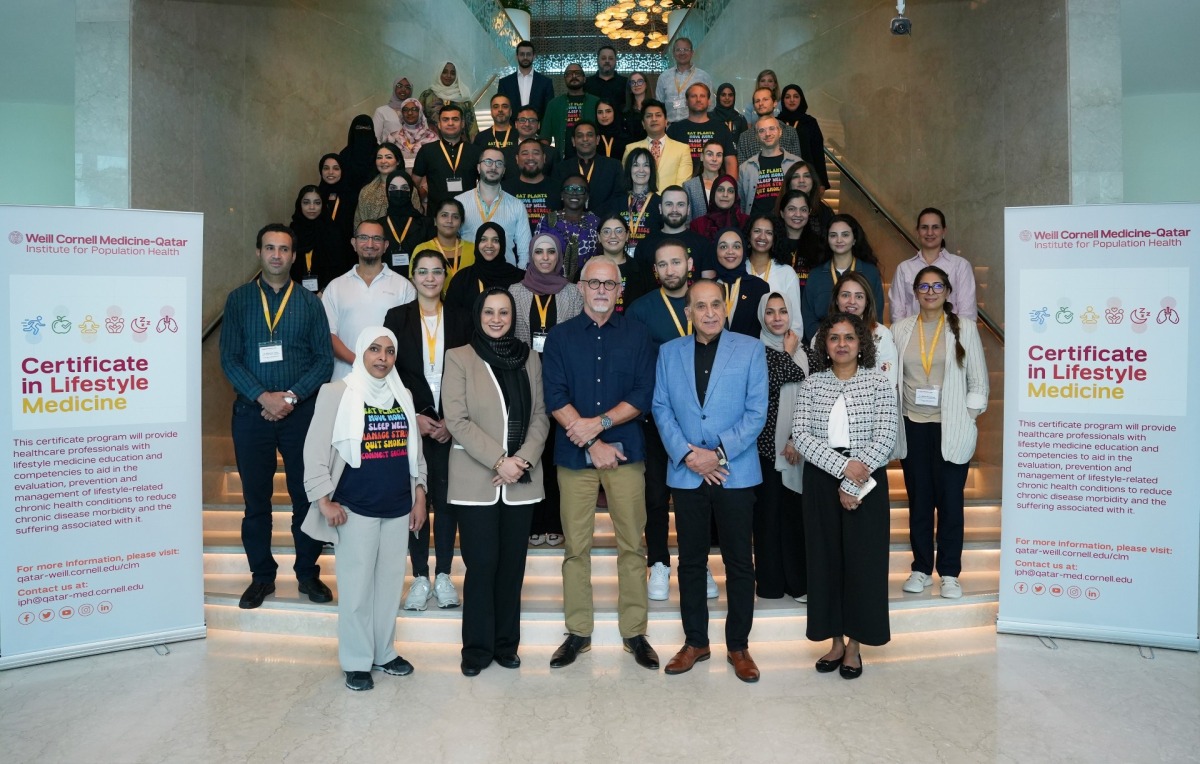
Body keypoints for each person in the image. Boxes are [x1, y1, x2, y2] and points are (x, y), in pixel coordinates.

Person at [541, 257, 660, 670]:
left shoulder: (639, 335)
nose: (602, 290)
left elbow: (644, 393)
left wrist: (602, 425)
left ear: (619, 288)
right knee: (576, 548)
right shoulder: (559, 337)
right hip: (574, 458)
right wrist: (593, 441)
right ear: (580, 287)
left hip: (626, 453)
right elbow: (554, 395)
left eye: (609, 284)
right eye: (594, 283)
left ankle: (635, 632)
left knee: (633, 545)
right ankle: (578, 632)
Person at [652, 279, 767, 683]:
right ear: (689, 313)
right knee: (691, 562)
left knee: (738, 562)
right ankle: (695, 641)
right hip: (686, 474)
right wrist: (688, 456)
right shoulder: (669, 353)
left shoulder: (751, 350)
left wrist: (715, 454)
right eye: (700, 306)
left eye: (716, 304)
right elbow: (660, 407)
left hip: (734, 473)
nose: (710, 312)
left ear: (726, 307)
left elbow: (757, 413)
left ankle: (739, 646)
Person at [300, 326, 426, 691]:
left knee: (388, 588)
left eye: (389, 351)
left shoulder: (402, 393)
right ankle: (356, 660)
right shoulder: (336, 393)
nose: (382, 358)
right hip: (354, 508)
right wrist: (324, 499)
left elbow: (414, 452)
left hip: (398, 505)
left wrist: (420, 494)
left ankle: (383, 652)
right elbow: (314, 449)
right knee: (356, 590)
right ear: (361, 352)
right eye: (374, 349)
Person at [219, 223, 334, 611]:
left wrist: (290, 396)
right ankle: (262, 577)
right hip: (251, 415)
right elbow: (229, 359)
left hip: (300, 415)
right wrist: (262, 397)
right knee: (256, 502)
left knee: (306, 498)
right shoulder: (237, 301)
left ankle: (307, 573)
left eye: (284, 249)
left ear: (293, 255)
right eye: (269, 248)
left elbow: (323, 360)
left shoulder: (309, 302)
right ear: (258, 252)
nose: (276, 255)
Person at [441, 289, 550, 676]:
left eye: (504, 312)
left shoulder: (530, 358)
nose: (497, 318)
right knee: (482, 564)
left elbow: (540, 415)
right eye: (489, 311)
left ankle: (506, 645)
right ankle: (476, 650)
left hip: (521, 481)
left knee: (512, 567)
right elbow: (456, 419)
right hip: (477, 480)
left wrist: (521, 461)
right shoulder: (459, 357)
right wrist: (500, 460)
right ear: (478, 314)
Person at [793, 312, 898, 680]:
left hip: (867, 482)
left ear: (861, 343)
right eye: (834, 337)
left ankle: (854, 646)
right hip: (822, 482)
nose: (841, 344)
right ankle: (834, 641)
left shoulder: (878, 382)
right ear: (825, 344)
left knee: (861, 566)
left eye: (849, 337)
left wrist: (853, 481)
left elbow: (886, 436)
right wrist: (842, 470)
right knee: (825, 563)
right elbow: (801, 435)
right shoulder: (813, 384)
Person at [383, 251, 472, 612]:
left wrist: (454, 420)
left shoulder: (462, 317)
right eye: (423, 272)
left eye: (437, 272)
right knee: (414, 498)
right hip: (412, 422)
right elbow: (388, 371)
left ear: (446, 276)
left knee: (447, 499)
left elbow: (472, 371)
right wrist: (412, 417)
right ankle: (420, 575)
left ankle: (446, 574)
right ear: (413, 275)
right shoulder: (396, 317)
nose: (431, 278)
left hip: (451, 425)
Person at [892, 266, 988, 600]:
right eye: (923, 286)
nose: (930, 292)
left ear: (947, 291)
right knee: (919, 503)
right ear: (914, 292)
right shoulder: (900, 329)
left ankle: (949, 572)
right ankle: (920, 568)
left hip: (952, 428)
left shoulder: (965, 328)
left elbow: (978, 381)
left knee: (950, 503)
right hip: (913, 426)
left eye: (937, 286)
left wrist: (968, 417)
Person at [626, 240, 695, 602]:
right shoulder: (640, 310)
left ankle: (692, 566)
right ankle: (659, 563)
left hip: (700, 421)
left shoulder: (705, 304)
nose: (670, 270)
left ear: (689, 263)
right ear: (656, 271)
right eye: (663, 265)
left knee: (693, 498)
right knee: (655, 495)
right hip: (655, 419)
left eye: (676, 262)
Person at [510, 232, 584, 546]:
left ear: (559, 257)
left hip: (561, 384)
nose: (544, 257)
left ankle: (555, 522)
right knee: (529, 453)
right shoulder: (515, 292)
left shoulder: (571, 293)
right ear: (531, 255)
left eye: (550, 252)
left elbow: (578, 340)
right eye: (538, 251)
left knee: (556, 454)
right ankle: (531, 523)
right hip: (525, 384)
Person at [754, 293, 807, 600]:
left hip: (799, 448)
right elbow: (777, 380)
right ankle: (771, 584)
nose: (777, 318)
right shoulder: (753, 351)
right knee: (767, 519)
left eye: (783, 311)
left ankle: (798, 583)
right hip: (764, 450)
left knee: (795, 519)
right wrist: (787, 353)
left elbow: (813, 395)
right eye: (770, 312)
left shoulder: (808, 350)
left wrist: (796, 438)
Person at [322, 220, 416, 380]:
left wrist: (378, 363)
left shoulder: (404, 287)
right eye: (364, 237)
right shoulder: (335, 286)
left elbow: (409, 337)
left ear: (386, 245)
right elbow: (328, 335)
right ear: (354, 243)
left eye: (376, 238)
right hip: (345, 378)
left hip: (388, 378)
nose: (370, 243)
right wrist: (359, 362)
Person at [802, 214, 884, 342]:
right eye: (833, 235)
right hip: (822, 344)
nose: (839, 240)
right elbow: (808, 317)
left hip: (862, 344)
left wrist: (858, 342)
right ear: (827, 239)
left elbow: (876, 314)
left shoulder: (870, 272)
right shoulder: (816, 275)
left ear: (854, 239)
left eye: (845, 235)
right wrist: (827, 341)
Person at [888, 208, 978, 324]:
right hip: (913, 338)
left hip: (951, 338)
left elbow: (968, 314)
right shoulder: (904, 268)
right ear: (918, 232)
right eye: (924, 227)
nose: (930, 233)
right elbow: (897, 314)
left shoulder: (961, 266)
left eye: (935, 227)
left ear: (944, 231)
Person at [456, 147, 532, 268]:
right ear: (478, 167)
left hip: (505, 278)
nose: (493, 167)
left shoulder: (517, 205)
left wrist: (519, 279)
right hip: (469, 277)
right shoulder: (459, 202)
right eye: (488, 162)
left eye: (499, 163)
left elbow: (525, 252)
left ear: (503, 171)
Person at [824, 271, 898, 389]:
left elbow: (889, 385)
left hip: (871, 405)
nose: (852, 301)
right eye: (845, 295)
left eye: (859, 296)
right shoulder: (823, 333)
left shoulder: (881, 334)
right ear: (836, 300)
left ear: (867, 301)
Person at [632, 185, 718, 279]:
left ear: (688, 209)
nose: (674, 210)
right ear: (660, 208)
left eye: (680, 204)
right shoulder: (645, 245)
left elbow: (708, 287)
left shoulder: (703, 245)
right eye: (669, 204)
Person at [411, 104, 482, 213]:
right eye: (445, 119)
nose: (450, 123)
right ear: (439, 124)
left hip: (469, 214)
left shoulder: (476, 151)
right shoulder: (427, 151)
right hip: (436, 217)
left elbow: (485, 184)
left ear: (462, 124)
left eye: (455, 119)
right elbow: (413, 184)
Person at [444, 222, 525, 313]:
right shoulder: (462, 278)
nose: (489, 245)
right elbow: (451, 316)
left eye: (495, 240)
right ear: (477, 243)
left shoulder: (519, 277)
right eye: (483, 240)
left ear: (502, 244)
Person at [550, 121, 624, 218]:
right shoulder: (561, 168)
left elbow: (618, 198)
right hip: (570, 224)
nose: (585, 139)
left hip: (604, 223)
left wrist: (593, 217)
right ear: (573, 141)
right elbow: (557, 199)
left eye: (589, 135)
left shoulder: (614, 166)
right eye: (580, 136)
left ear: (597, 139)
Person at [745, 214, 803, 335]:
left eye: (769, 233)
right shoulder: (739, 270)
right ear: (748, 235)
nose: (762, 237)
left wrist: (787, 352)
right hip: (743, 345)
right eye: (757, 231)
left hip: (778, 347)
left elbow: (796, 323)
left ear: (775, 238)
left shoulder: (787, 273)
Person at [534, 175, 600, 282]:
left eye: (580, 189)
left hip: (587, 284)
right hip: (550, 283)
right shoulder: (547, 220)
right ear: (562, 195)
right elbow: (536, 253)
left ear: (587, 196)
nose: (574, 193)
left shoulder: (595, 222)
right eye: (569, 189)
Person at [666, 83, 738, 178]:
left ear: (709, 101)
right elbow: (667, 163)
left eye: (702, 96)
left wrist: (730, 186)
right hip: (682, 187)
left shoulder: (721, 128)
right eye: (693, 96)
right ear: (686, 102)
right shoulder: (675, 129)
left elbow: (730, 162)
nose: (698, 99)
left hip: (716, 188)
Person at [713, 227, 771, 337]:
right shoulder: (707, 287)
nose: (730, 251)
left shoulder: (759, 287)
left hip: (748, 352)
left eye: (736, 246)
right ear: (715, 251)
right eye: (723, 246)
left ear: (743, 250)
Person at [623, 100, 693, 191]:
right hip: (640, 203)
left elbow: (683, 184)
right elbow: (626, 181)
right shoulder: (630, 149)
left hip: (669, 203)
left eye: (658, 115)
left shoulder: (682, 149)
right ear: (643, 124)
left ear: (666, 122)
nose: (654, 119)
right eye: (649, 116)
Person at [739, 116, 800, 217]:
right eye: (762, 131)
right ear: (757, 137)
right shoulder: (745, 168)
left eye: (772, 129)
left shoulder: (796, 164)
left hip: (787, 226)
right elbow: (742, 204)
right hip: (756, 226)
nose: (767, 134)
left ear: (780, 132)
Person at [288, 184, 345, 293]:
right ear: (299, 205)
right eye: (306, 202)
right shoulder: (291, 233)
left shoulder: (332, 232)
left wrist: (324, 291)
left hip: (327, 293)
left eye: (317, 203)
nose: (312, 207)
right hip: (296, 293)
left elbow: (338, 266)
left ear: (323, 205)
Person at [376, 168, 433, 274]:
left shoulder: (425, 224)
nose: (398, 192)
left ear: (411, 191)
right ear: (387, 192)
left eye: (404, 188)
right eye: (393, 188)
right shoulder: (379, 225)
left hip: (418, 282)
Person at [596, 215, 655, 313]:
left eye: (619, 231)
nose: (613, 236)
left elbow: (651, 307)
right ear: (599, 237)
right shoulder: (586, 270)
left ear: (627, 235)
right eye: (606, 231)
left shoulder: (644, 271)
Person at [542, 63, 600, 161]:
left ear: (584, 78)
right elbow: (545, 137)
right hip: (562, 161)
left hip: (592, 161)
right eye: (569, 74)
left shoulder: (596, 102)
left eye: (577, 73)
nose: (573, 76)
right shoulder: (554, 104)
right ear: (564, 79)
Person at [411, 198, 474, 286]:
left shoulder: (473, 250)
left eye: (455, 217)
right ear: (435, 220)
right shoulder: (422, 249)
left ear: (461, 223)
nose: (449, 221)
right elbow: (414, 284)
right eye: (444, 215)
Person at [776, 84, 828, 188]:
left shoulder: (810, 122)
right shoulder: (777, 122)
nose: (792, 100)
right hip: (780, 177)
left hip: (806, 176)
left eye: (796, 96)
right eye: (787, 97)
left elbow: (818, 154)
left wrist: (822, 183)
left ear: (801, 99)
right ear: (782, 100)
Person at [736, 88, 804, 165]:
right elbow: (743, 172)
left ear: (775, 103)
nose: (761, 103)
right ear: (754, 106)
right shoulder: (745, 137)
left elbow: (797, 166)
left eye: (765, 99)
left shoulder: (790, 132)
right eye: (757, 101)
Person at [503, 138, 556, 235]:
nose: (530, 157)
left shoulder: (558, 188)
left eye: (536, 153)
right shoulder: (504, 190)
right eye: (525, 153)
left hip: (549, 247)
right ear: (517, 159)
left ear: (544, 158)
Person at [655, 37, 714, 123]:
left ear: (692, 53)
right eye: (678, 50)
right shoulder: (664, 77)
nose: (682, 53)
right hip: (671, 128)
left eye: (686, 49)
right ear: (673, 53)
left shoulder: (703, 77)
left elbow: (710, 105)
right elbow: (658, 105)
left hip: (696, 127)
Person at [616, 147, 662, 250]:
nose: (641, 170)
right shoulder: (617, 202)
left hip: (650, 259)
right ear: (629, 169)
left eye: (646, 165)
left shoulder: (660, 203)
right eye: (635, 165)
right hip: (621, 259)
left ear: (651, 170)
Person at [497, 40, 555, 120]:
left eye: (528, 54)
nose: (525, 57)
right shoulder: (505, 83)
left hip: (537, 130)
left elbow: (549, 111)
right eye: (522, 54)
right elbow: (502, 109)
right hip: (512, 130)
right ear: (516, 56)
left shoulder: (545, 83)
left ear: (534, 56)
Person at [316, 153, 358, 265]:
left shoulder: (353, 197)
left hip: (347, 255)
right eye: (326, 168)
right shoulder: (315, 196)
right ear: (321, 171)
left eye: (336, 168)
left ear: (342, 171)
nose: (330, 172)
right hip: (320, 256)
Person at [418, 60, 476, 140]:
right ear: (439, 73)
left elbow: (472, 127)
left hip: (460, 144)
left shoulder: (463, 96)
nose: (448, 76)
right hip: (432, 142)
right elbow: (419, 120)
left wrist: (475, 148)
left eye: (452, 73)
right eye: (444, 72)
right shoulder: (427, 95)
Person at [776, 189, 823, 287]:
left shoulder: (820, 246)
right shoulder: (772, 244)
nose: (798, 214)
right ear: (782, 213)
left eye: (803, 210)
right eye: (791, 209)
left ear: (809, 213)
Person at [781, 160, 833, 239]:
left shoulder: (825, 212)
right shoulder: (777, 210)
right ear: (789, 183)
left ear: (813, 181)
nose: (801, 180)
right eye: (796, 176)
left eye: (806, 176)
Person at [385, 97, 439, 172]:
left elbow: (436, 165)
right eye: (405, 110)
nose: (409, 113)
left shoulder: (432, 138)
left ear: (420, 112)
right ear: (402, 113)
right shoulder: (393, 138)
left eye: (414, 109)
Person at [354, 142, 401, 228]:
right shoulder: (366, 191)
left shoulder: (408, 189)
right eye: (379, 158)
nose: (383, 161)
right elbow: (358, 222)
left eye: (389, 157)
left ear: (398, 161)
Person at [689, 174, 747, 242]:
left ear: (736, 196)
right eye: (720, 190)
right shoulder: (698, 225)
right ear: (713, 193)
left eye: (730, 191)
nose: (725, 195)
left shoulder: (745, 222)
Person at [682, 139, 728, 221]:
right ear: (702, 157)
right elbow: (687, 221)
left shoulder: (728, 184)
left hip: (724, 232)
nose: (714, 159)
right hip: (697, 233)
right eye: (710, 154)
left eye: (719, 155)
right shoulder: (689, 186)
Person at [339, 114, 379, 194]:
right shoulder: (345, 155)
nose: (363, 131)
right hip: (348, 199)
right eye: (359, 128)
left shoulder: (380, 154)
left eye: (367, 128)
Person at [584, 44, 627, 110]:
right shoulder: (587, 82)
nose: (607, 61)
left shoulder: (625, 82)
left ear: (615, 61)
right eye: (603, 58)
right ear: (597, 60)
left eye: (610, 58)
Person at [372, 76, 413, 142]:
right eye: (399, 86)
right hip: (389, 150)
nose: (403, 89)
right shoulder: (381, 111)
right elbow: (375, 139)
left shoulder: (416, 112)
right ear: (394, 88)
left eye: (407, 87)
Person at [623, 72, 650, 142]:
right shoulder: (624, 111)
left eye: (640, 81)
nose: (636, 85)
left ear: (646, 84)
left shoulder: (655, 106)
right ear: (630, 87)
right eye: (633, 82)